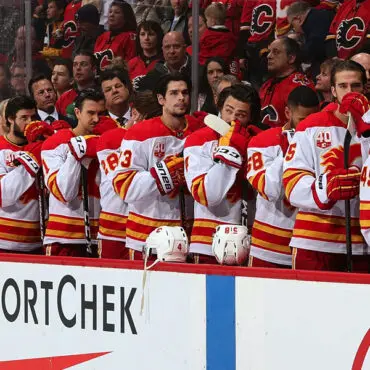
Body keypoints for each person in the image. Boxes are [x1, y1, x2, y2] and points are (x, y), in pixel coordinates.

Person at [283, 60, 368, 272]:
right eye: (343, 86)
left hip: (363, 243)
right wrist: (326, 186)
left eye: (356, 86)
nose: (350, 92)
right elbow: (292, 184)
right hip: (314, 242)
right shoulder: (311, 125)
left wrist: (366, 130)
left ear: (366, 88)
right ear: (332, 90)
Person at [112, 73, 202, 259]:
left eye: (185, 93)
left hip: (191, 238)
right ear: (161, 99)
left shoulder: (199, 131)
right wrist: (165, 174)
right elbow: (123, 185)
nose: (181, 98)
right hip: (147, 239)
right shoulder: (140, 133)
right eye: (174, 93)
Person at [183, 84, 261, 263]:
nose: (232, 118)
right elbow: (206, 195)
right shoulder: (198, 140)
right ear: (219, 108)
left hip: (251, 243)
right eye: (228, 110)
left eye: (241, 115)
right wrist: (230, 153)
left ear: (250, 118)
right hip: (207, 244)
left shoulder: (256, 141)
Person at [247, 86, 319, 268]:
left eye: (313, 119)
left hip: (307, 245)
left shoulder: (323, 142)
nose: (307, 126)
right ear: (287, 112)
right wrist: (291, 149)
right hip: (266, 249)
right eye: (303, 120)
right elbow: (270, 191)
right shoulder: (262, 142)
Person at [96, 90, 161, 259]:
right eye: (149, 119)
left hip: (143, 227)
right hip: (114, 229)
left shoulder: (158, 137)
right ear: (135, 114)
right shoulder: (111, 138)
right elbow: (123, 188)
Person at [41, 89, 106, 257]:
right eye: (90, 113)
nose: (96, 119)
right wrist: (76, 154)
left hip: (98, 236)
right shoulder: (55, 143)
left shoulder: (104, 142)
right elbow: (65, 193)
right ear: (77, 112)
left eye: (100, 113)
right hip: (63, 238)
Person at [0, 96, 43, 253]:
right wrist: (31, 160)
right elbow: (3, 194)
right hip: (5, 242)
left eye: (33, 117)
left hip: (38, 241)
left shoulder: (41, 146)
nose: (29, 123)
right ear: (10, 119)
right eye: (24, 117)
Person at [259, 37, 315, 127]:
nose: (269, 56)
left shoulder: (300, 86)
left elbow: (305, 126)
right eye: (269, 52)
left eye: (276, 52)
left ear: (291, 58)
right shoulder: (267, 85)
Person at [287, 1, 334, 79]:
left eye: (292, 25)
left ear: (298, 19)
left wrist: (294, 55)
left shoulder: (313, 21)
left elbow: (314, 48)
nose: (294, 29)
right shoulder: (321, 14)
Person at [94, 0, 137, 72]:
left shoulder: (130, 37)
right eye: (110, 12)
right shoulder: (102, 37)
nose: (111, 15)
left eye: (116, 12)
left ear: (126, 17)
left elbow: (130, 64)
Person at [56, 51, 97, 116]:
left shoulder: (102, 94)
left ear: (94, 69)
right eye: (75, 64)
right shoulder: (63, 98)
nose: (78, 68)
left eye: (83, 64)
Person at [128, 20, 163, 87]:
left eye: (151, 34)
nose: (146, 38)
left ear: (158, 37)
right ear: (138, 37)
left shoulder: (165, 62)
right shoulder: (131, 63)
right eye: (142, 34)